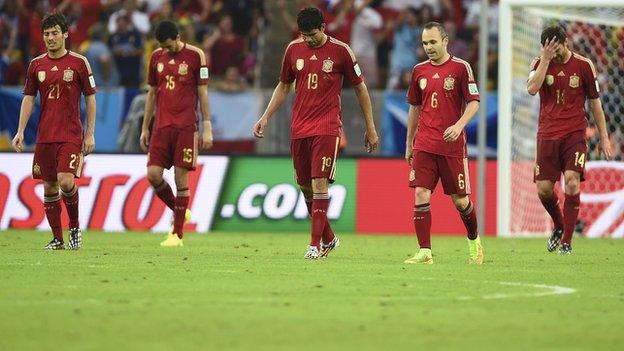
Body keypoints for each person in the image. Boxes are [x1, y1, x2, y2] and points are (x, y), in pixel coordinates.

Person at [253, 7, 379, 260]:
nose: (308, 39)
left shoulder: (341, 51)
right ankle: (329, 238)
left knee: (319, 182)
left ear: (322, 28)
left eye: (312, 34)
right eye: (303, 34)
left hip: (327, 126)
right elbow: (283, 85)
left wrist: (370, 127)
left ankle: (314, 245)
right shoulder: (293, 49)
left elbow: (361, 89)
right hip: (300, 127)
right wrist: (265, 117)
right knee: (304, 186)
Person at [11, 12, 96, 250]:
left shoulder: (79, 62)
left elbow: (90, 99)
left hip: (70, 134)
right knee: (49, 186)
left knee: (65, 181)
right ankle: (58, 239)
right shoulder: (36, 65)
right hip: (45, 135)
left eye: (55, 33)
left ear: (65, 34)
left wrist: (89, 134)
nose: (50, 38)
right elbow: (28, 98)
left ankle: (75, 227)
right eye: (46, 34)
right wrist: (20, 131)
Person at [527, 25, 612, 254]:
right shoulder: (539, 63)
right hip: (547, 134)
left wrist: (604, 137)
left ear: (566, 42)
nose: (554, 54)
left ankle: (566, 242)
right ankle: (559, 226)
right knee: (544, 190)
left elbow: (595, 102)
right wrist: (545, 59)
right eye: (549, 50)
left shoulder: (584, 65)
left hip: (574, 133)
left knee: (572, 181)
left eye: (557, 49)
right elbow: (532, 89)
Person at [403, 22, 482, 265]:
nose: (428, 47)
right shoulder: (418, 71)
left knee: (460, 201)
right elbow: (414, 108)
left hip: (451, 147)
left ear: (445, 41)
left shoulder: (461, 68)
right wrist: (409, 144)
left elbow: (474, 102)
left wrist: (459, 126)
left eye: (433, 42)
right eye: (425, 43)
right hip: (425, 143)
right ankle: (425, 252)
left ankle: (474, 243)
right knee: (420, 193)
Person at [140, 20, 213, 247]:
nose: (166, 49)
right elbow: (152, 94)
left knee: (181, 179)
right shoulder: (157, 57)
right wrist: (145, 127)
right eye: (162, 46)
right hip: (161, 127)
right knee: (153, 174)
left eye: (169, 45)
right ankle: (179, 210)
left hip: (185, 127)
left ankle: (177, 234)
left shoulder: (195, 56)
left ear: (178, 37)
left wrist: (207, 125)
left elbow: (203, 93)